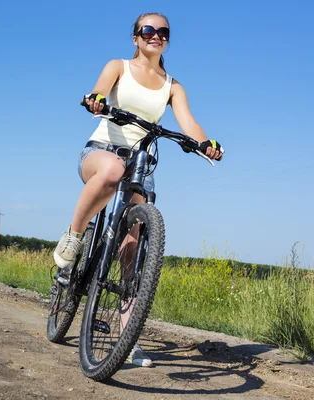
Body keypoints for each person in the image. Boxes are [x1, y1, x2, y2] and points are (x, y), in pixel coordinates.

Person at [53, 12, 224, 367]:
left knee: (132, 254)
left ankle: (128, 339)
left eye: (163, 32)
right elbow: (100, 88)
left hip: (141, 163)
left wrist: (206, 143)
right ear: (136, 37)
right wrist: (97, 100)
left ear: (168, 40)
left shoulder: (173, 86)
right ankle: (73, 238)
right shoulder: (118, 66)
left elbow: (188, 122)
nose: (155, 36)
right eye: (148, 30)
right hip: (101, 152)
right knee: (114, 169)